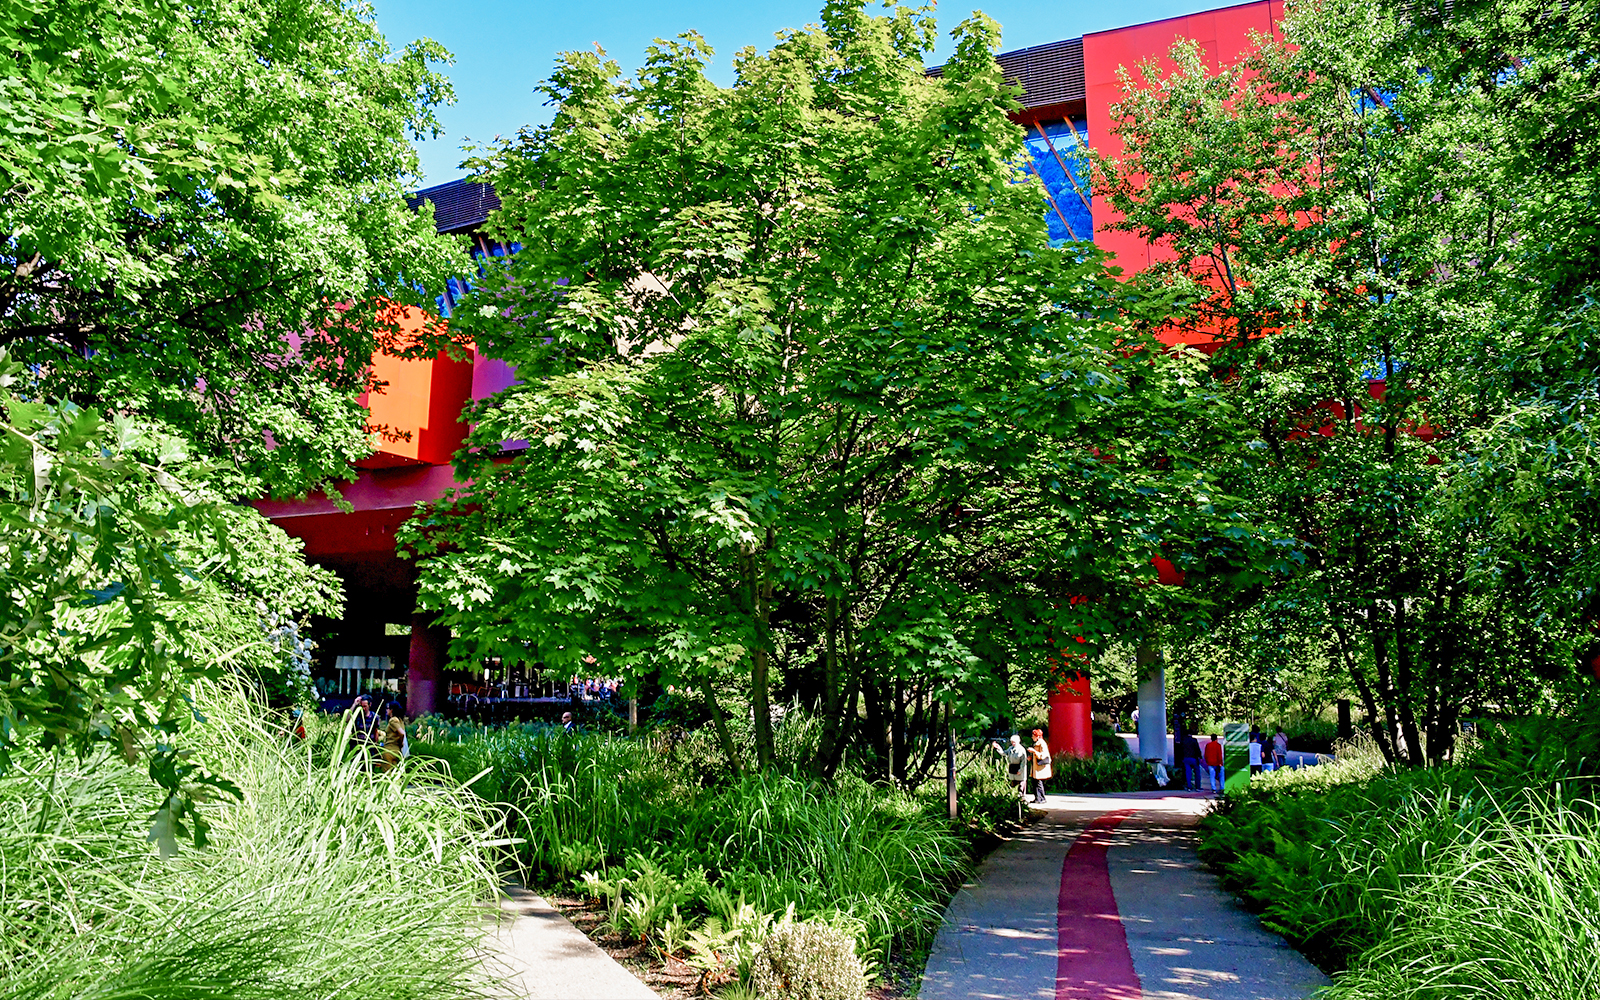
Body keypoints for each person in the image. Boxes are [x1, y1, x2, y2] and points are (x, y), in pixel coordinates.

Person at [992, 734, 1029, 800]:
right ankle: (1013, 800)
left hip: (1019, 769)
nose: (1013, 743)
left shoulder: (1022, 750)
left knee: (1020, 786)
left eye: (1014, 742)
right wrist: (998, 748)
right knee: (1013, 785)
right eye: (1012, 742)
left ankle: (1022, 800)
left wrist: (1020, 770)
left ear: (1018, 741)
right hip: (1012, 768)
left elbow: (1024, 762)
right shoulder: (1010, 748)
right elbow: (1004, 753)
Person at [377, 702, 407, 772]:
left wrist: (401, 743)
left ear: (392, 710)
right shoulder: (400, 720)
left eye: (387, 708)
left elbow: (402, 733)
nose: (386, 710)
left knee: (387, 773)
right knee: (396, 773)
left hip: (389, 750)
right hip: (397, 751)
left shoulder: (393, 720)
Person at [1027, 729, 1052, 803]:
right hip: (1036, 766)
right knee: (1035, 782)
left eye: (1033, 735)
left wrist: (1033, 751)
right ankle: (1037, 798)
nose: (1032, 737)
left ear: (1037, 736)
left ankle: (1042, 798)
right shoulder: (1037, 743)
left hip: (1040, 767)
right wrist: (1031, 757)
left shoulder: (1042, 743)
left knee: (1038, 783)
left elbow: (1043, 755)